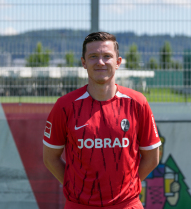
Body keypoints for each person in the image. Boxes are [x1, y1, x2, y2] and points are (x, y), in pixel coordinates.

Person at [43, 32, 162, 209]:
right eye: (93, 57)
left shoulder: (137, 103)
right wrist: (77, 188)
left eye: (107, 56)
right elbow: (50, 158)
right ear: (84, 62)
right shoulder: (65, 106)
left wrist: (126, 189)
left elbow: (152, 158)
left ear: (118, 62)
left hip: (127, 205)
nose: (100, 62)